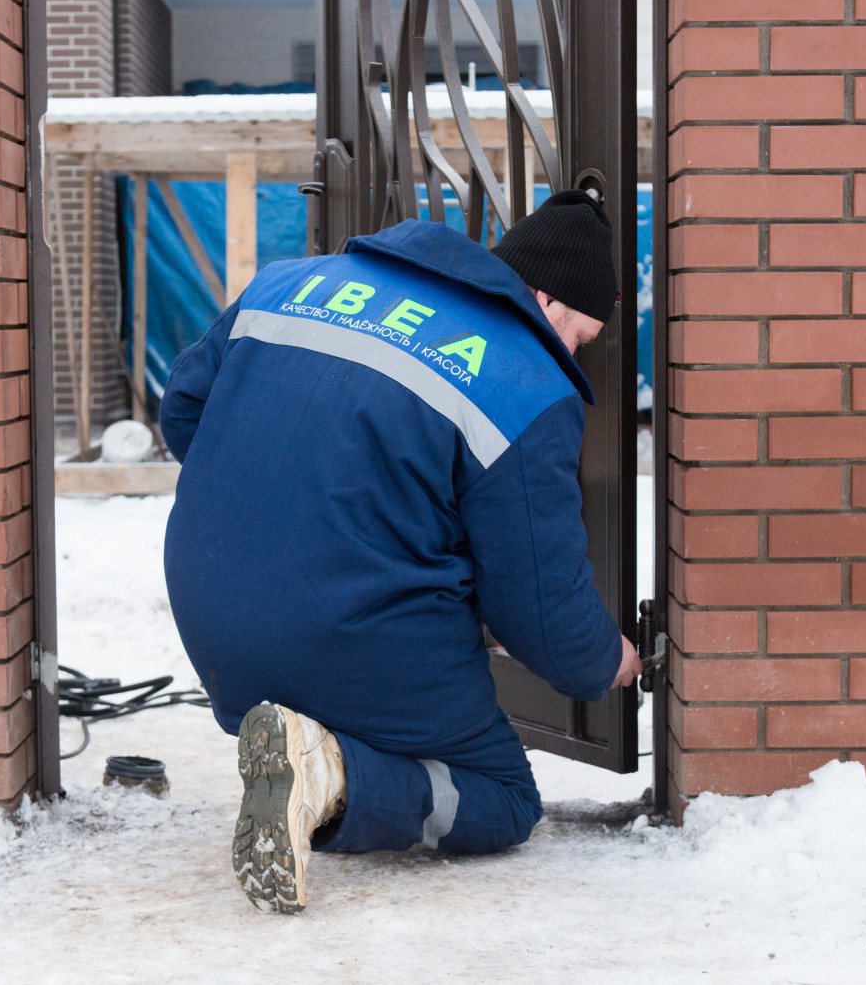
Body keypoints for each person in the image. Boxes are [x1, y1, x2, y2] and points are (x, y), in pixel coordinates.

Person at [159, 190, 643, 915]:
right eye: (577, 333)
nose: (571, 354)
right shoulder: (525, 382)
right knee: (504, 799)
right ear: (541, 295)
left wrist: (264, 509)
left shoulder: (292, 282)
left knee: (375, 675)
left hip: (211, 613)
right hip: (353, 631)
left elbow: (182, 410)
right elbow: (535, 598)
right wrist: (607, 661)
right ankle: (331, 777)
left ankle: (301, 743)